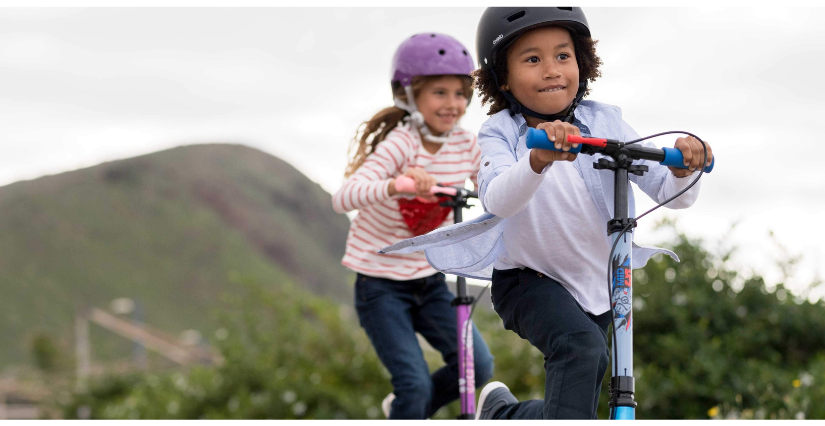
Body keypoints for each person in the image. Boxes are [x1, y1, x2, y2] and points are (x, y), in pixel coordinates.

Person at [381, 7, 714, 419]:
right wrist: (538, 158)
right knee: (581, 348)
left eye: (563, 55)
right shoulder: (499, 132)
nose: (552, 70)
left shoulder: (605, 121)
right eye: (532, 59)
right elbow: (498, 199)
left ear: (582, 62)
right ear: (502, 77)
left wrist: (684, 169)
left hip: (599, 284)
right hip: (526, 279)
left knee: (578, 406)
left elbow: (673, 195)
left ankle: (503, 414)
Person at [331, 32, 494, 419]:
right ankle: (410, 405)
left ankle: (406, 410)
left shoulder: (466, 145)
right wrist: (396, 185)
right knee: (415, 384)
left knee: (477, 368)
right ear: (409, 95)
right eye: (440, 93)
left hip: (430, 278)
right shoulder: (400, 145)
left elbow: (492, 186)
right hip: (380, 285)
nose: (453, 104)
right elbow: (343, 197)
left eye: (460, 93)